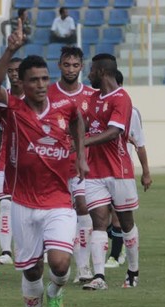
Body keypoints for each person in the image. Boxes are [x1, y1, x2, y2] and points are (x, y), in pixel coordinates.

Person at [0, 21, 89, 307]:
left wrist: (81, 155)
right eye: (35, 80)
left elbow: (77, 121)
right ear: (23, 83)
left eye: (45, 78)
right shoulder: (13, 110)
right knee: (32, 271)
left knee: (59, 264)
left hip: (58, 200)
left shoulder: (65, 106)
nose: (42, 85)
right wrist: (11, 50)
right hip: (23, 204)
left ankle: (56, 293)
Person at [81, 53, 141, 290]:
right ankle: (99, 277)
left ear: (103, 72)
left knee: (126, 223)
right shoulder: (92, 99)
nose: (89, 74)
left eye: (92, 71)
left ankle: (133, 271)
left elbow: (114, 132)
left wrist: (83, 142)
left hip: (119, 171)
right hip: (95, 173)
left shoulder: (122, 98)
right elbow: (83, 125)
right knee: (98, 222)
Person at [47, 45, 96, 284]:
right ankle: (56, 256)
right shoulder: (48, 94)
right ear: (59, 65)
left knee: (83, 208)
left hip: (80, 164)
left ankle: (84, 267)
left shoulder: (89, 95)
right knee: (60, 213)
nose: (70, 69)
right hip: (52, 164)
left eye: (75, 65)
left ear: (82, 66)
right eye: (66, 64)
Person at [105, 70, 152, 269]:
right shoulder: (96, 106)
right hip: (97, 170)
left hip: (121, 170)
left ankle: (116, 255)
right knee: (99, 216)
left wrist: (146, 172)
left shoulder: (131, 111)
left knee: (117, 213)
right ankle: (123, 241)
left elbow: (139, 144)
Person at [0, 57, 24, 266]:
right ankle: (6, 252)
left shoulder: (35, 98)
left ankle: (33, 249)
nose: (13, 74)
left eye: (17, 70)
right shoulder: (1, 99)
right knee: (5, 203)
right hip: (6, 157)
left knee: (30, 205)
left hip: (30, 157)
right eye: (10, 71)